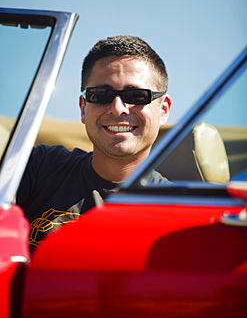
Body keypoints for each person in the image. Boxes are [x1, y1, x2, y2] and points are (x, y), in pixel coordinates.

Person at [17, 35, 172, 252]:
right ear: (83, 108)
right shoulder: (36, 167)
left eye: (136, 95)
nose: (118, 108)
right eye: (101, 95)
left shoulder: (177, 210)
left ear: (163, 110)